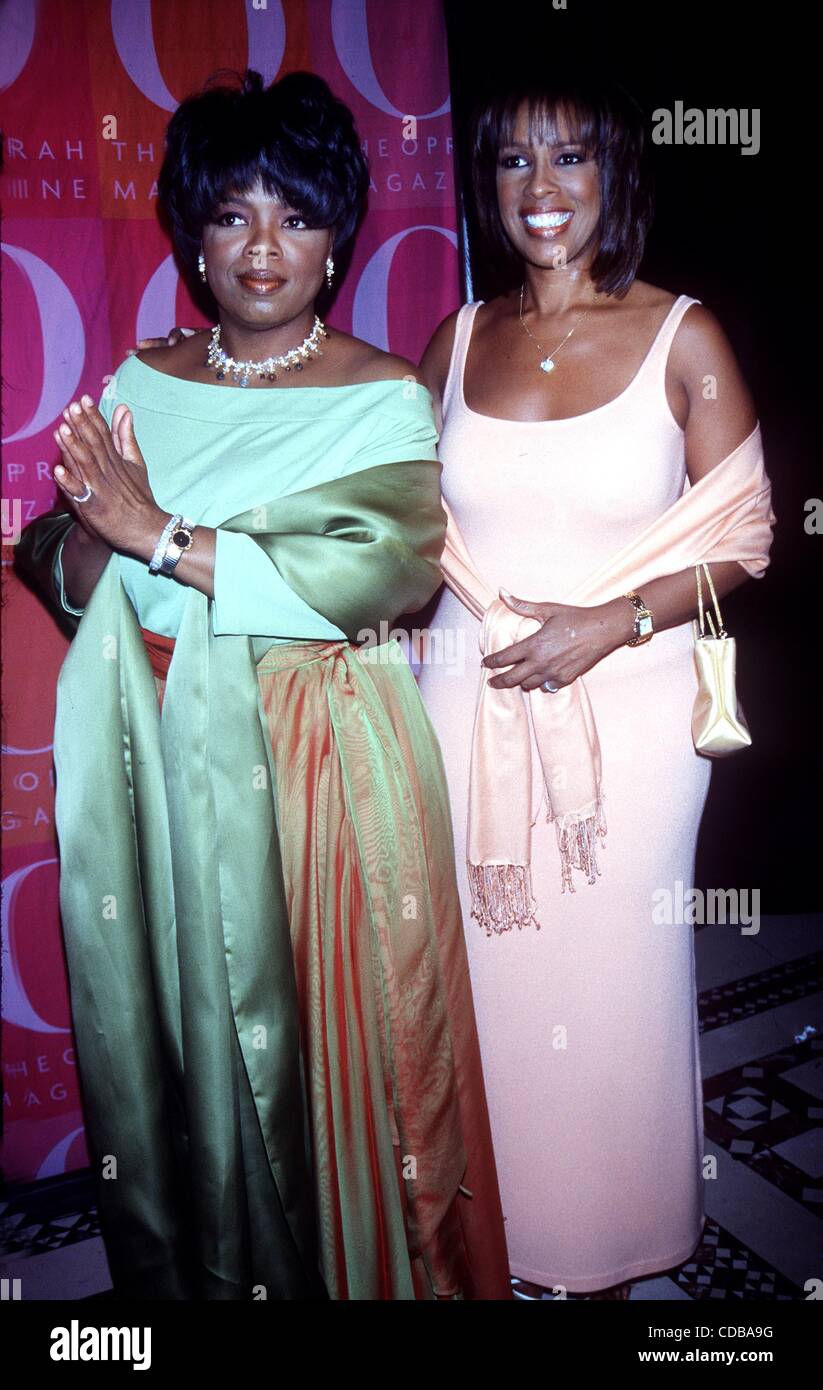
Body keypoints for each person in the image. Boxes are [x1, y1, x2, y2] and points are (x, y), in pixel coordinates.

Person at [14, 69, 511, 1302]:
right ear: (193, 232)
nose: (261, 247)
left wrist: (158, 533)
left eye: (292, 215)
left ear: (336, 235)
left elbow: (388, 571)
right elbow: (72, 568)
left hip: (320, 755)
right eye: (231, 214)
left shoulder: (384, 391)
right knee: (196, 1042)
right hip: (167, 750)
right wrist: (91, 536)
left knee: (330, 1042)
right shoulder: (142, 379)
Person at [415, 76, 776, 1299]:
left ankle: (614, 1246)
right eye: (514, 164)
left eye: (570, 159)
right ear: (488, 186)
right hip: (467, 701)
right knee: (489, 977)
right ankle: (498, 1239)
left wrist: (609, 621)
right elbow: (404, 528)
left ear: (617, 173)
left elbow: (743, 539)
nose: (542, 190)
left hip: (628, 710)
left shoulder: (686, 335)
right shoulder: (455, 338)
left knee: (612, 987)